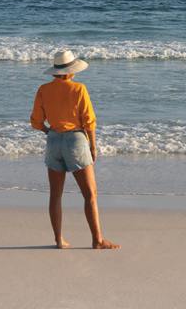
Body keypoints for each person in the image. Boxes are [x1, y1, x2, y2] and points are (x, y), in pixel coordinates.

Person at [31, 50, 120, 250]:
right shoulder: (79, 89)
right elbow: (89, 121)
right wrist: (93, 145)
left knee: (55, 195)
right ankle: (97, 240)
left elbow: (36, 121)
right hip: (76, 141)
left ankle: (58, 240)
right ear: (71, 71)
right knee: (90, 194)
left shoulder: (44, 89)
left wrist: (48, 131)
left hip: (53, 141)